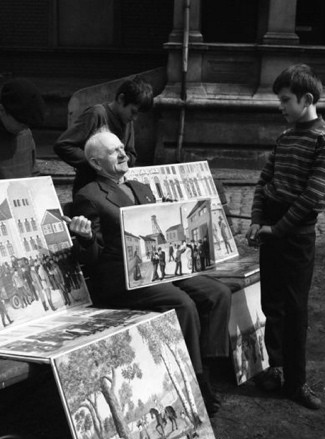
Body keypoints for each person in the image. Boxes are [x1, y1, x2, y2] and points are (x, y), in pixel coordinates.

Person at [66, 131, 232, 415]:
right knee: (183, 303)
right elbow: (91, 260)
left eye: (122, 148)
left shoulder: (141, 187)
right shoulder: (90, 196)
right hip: (120, 279)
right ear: (95, 163)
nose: (122, 154)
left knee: (218, 293)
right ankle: (197, 381)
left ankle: (207, 367)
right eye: (113, 152)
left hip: (157, 270)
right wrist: (85, 238)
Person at [246, 64, 325, 410]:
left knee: (294, 306)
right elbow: (263, 181)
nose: (280, 107)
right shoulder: (285, 138)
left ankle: (297, 383)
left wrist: (279, 228)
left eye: (286, 100)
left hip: (296, 234)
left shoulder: (324, 140)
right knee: (271, 303)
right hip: (271, 228)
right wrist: (258, 221)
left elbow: (313, 196)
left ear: (307, 99)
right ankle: (276, 369)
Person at [54, 76, 154, 194]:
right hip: (90, 188)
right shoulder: (96, 114)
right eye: (133, 112)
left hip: (114, 189)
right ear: (121, 99)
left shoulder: (127, 121)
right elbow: (63, 145)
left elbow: (131, 154)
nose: (134, 118)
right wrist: (96, 164)